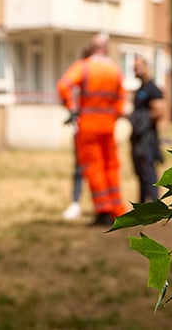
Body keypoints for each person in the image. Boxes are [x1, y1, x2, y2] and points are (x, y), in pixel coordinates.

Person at [57, 33, 129, 226]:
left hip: (88, 126)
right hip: (108, 126)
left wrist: (71, 108)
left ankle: (103, 210)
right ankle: (117, 209)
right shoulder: (114, 70)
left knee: (94, 167)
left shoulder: (84, 67)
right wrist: (114, 114)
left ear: (92, 48)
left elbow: (64, 85)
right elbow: (122, 98)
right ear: (106, 49)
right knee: (111, 166)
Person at [61, 44, 95, 220]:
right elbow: (65, 89)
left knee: (89, 168)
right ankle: (76, 202)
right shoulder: (81, 74)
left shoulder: (92, 77)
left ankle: (97, 206)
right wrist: (73, 110)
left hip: (90, 129)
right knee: (80, 168)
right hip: (82, 129)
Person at [129, 54, 164, 203]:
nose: (135, 70)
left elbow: (159, 111)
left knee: (148, 171)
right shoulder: (140, 89)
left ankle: (156, 204)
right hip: (137, 136)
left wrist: (140, 121)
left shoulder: (153, 89)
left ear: (147, 68)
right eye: (134, 67)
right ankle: (142, 203)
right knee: (140, 171)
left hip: (147, 137)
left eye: (138, 67)